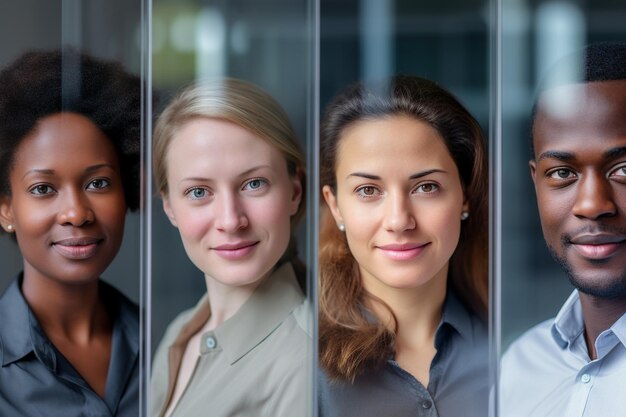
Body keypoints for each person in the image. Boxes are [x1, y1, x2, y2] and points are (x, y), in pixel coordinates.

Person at [318, 75, 489, 416]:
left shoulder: (512, 347)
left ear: (465, 196)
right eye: (368, 190)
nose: (399, 220)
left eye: (426, 187)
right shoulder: (297, 362)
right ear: (335, 205)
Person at [150, 78, 310, 417]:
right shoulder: (178, 334)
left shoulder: (308, 360)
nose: (230, 220)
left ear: (295, 192)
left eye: (254, 184)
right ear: (169, 208)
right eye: (198, 192)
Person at [0, 49, 141, 416]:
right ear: (6, 209)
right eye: (43, 189)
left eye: (98, 182)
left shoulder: (170, 341)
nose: (77, 213)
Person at [501, 43, 626, 416]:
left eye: (623, 169)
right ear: (535, 182)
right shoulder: (518, 367)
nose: (591, 204)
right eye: (562, 174)